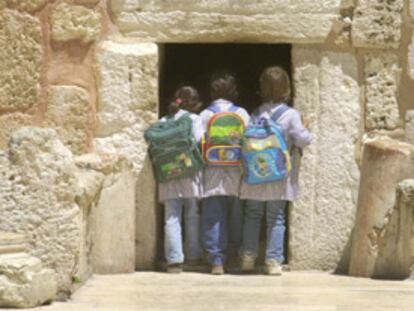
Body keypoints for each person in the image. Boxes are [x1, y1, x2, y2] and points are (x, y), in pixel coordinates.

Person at [239, 66, 312, 275]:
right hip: (279, 177)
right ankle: (273, 261)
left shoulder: (254, 114)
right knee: (276, 217)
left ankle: (247, 258)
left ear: (262, 87)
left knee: (251, 216)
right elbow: (303, 140)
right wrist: (308, 129)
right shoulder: (290, 115)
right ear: (287, 88)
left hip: (254, 175)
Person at [200, 73, 250, 275]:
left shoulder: (206, 114)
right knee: (236, 214)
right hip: (235, 169)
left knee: (213, 215)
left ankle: (216, 260)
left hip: (212, 170)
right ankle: (234, 255)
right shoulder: (242, 113)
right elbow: (249, 138)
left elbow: (197, 138)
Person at [158, 86, 204, 273]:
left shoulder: (163, 120)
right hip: (189, 173)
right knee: (192, 213)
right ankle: (193, 256)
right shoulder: (194, 119)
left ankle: (174, 260)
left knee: (171, 216)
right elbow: (200, 140)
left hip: (168, 173)